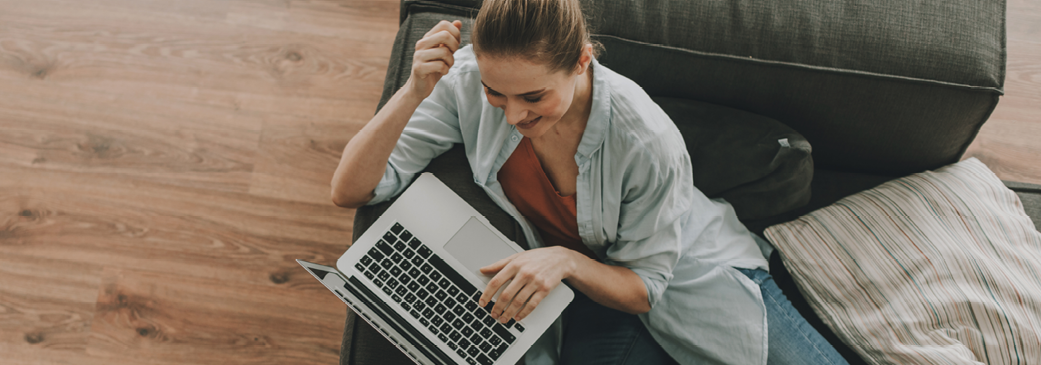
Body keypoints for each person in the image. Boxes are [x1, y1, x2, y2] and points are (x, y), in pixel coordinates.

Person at [330, 0, 849, 364]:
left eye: (533, 97)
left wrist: (567, 261)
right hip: (594, 301)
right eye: (496, 93)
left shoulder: (645, 139)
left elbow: (646, 287)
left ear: (582, 60)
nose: (512, 116)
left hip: (688, 276)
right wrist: (414, 91)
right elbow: (349, 190)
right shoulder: (466, 82)